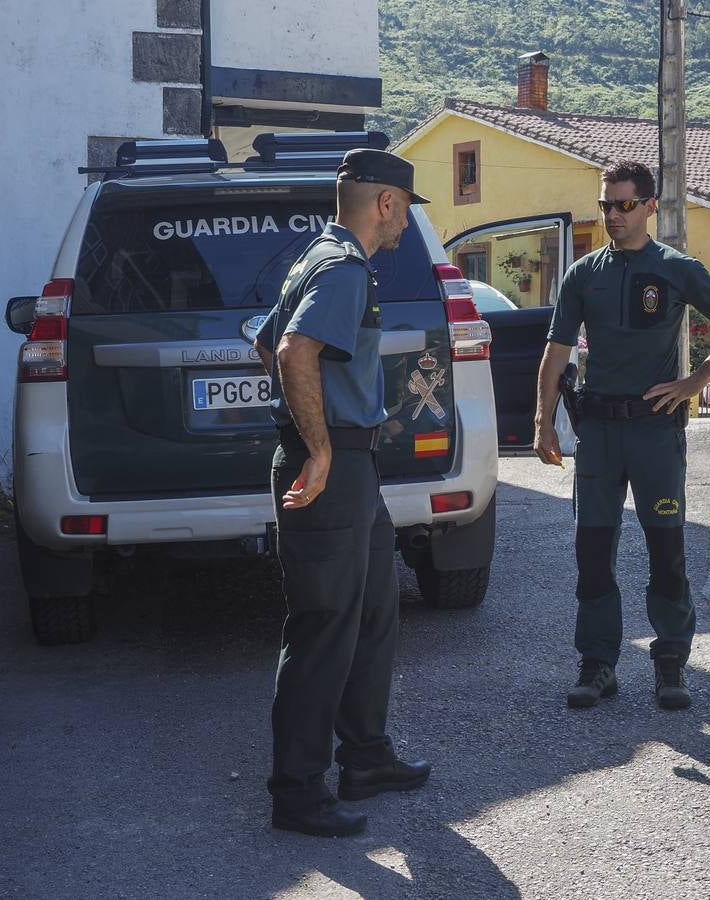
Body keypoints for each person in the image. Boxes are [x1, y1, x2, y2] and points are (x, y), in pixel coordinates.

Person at [254, 148, 431, 838]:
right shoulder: (342, 266)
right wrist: (322, 447)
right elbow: (295, 352)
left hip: (352, 467)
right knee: (324, 625)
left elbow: (266, 346)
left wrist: (341, 417)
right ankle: (296, 792)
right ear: (384, 202)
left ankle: (365, 757)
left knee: (373, 611)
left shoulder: (315, 254)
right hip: (329, 468)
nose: (405, 229)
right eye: (404, 213)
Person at [533, 160, 710, 711]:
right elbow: (555, 351)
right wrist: (542, 422)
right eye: (606, 205)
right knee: (593, 553)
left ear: (650, 206)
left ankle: (671, 664)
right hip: (599, 434)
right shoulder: (583, 274)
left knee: (666, 553)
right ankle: (598, 665)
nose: (613, 215)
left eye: (625, 205)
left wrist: (694, 381)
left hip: (655, 434)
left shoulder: (677, 268)